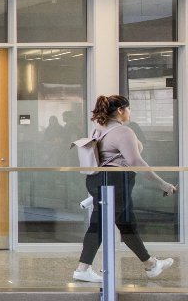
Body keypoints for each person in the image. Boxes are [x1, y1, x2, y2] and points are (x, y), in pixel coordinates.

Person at [73, 94, 176, 283]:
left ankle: (151, 265)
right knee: (100, 224)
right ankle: (82, 269)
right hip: (115, 182)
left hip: (100, 180)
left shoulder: (98, 128)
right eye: (128, 108)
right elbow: (136, 162)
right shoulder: (123, 132)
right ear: (120, 110)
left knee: (127, 225)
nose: (130, 112)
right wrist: (163, 184)